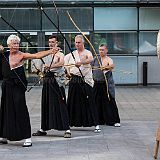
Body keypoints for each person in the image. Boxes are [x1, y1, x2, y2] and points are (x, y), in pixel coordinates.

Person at [0, 34, 58, 147]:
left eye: (17, 43)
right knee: (6, 110)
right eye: (14, 43)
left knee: (20, 109)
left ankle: (27, 137)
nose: (16, 45)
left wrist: (51, 51)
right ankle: (4, 135)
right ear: (9, 45)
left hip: (17, 87)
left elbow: (36, 55)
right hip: (6, 86)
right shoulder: (3, 55)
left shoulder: (21, 55)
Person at [32, 35, 71, 138]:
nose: (51, 44)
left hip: (57, 81)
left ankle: (67, 129)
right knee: (46, 103)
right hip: (47, 81)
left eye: (53, 42)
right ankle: (43, 128)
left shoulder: (60, 53)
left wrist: (50, 66)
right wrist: (38, 71)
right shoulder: (46, 54)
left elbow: (62, 62)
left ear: (57, 43)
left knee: (61, 103)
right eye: (49, 42)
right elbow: (37, 62)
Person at [64, 35, 101, 132]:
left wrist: (81, 62)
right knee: (72, 102)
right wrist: (68, 72)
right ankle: (68, 123)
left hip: (85, 81)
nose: (77, 44)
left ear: (83, 43)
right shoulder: (71, 54)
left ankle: (96, 124)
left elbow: (90, 59)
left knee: (90, 101)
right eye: (76, 42)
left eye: (79, 42)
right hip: (74, 80)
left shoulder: (87, 52)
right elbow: (65, 64)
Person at [92, 44, 120, 127]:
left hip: (106, 84)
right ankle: (98, 119)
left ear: (106, 50)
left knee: (109, 101)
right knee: (96, 102)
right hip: (97, 83)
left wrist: (106, 67)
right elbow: (89, 66)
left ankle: (114, 120)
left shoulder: (108, 59)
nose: (101, 51)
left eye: (103, 50)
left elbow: (112, 65)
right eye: (100, 50)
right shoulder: (95, 59)